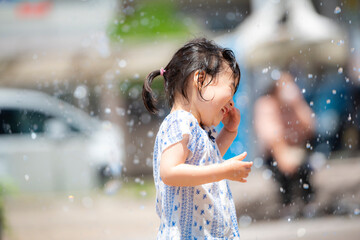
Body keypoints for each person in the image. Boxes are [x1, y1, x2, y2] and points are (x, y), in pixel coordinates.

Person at [142, 38, 253, 239]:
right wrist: (222, 171)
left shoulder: (198, 128)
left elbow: (206, 160)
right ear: (200, 79)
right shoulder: (179, 122)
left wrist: (229, 132)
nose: (231, 102)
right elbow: (170, 172)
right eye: (230, 89)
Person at [254, 72, 316, 218]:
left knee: (305, 167)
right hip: (274, 154)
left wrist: (297, 104)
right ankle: (287, 205)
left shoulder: (296, 104)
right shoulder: (266, 104)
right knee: (282, 172)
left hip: (298, 149)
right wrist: (283, 154)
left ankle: (308, 202)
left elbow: (310, 127)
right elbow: (271, 136)